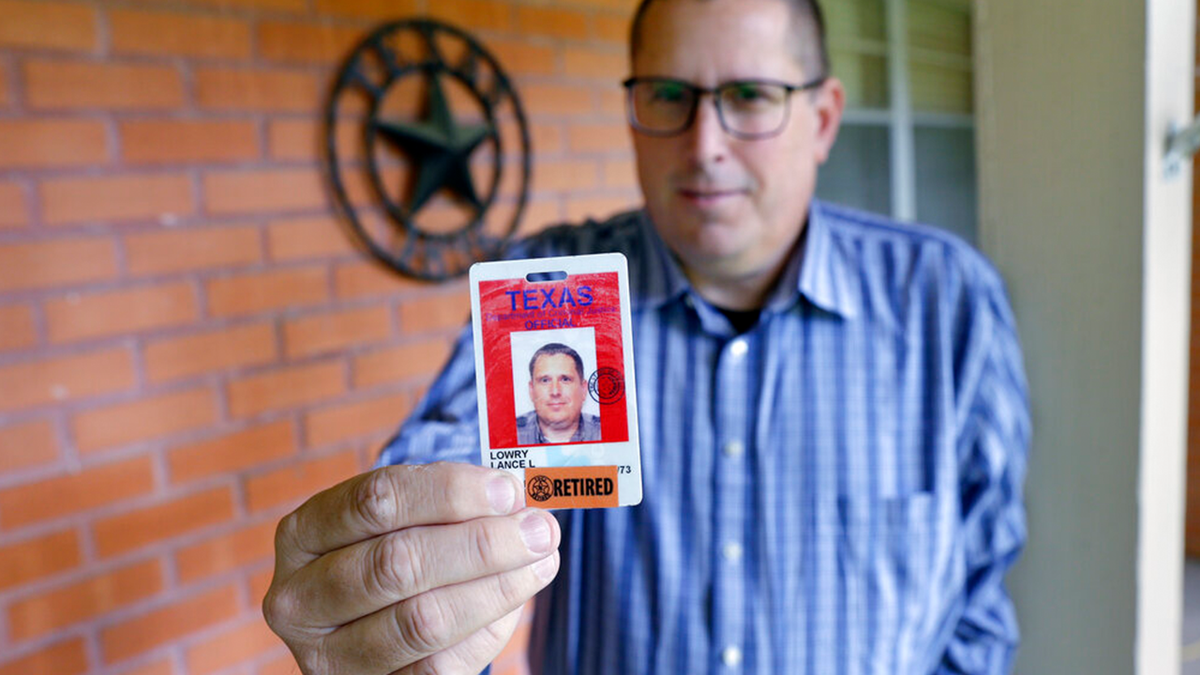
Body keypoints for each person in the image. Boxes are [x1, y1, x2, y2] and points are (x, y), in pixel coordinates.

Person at [262, 0, 1030, 673]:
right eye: (668, 95)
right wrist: (395, 582)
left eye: (750, 96)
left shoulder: (944, 301)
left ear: (823, 118)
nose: (703, 145)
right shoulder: (548, 283)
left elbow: (980, 593)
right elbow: (448, 455)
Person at [517, 342, 601, 444]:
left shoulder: (606, 430)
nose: (555, 391)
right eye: (545, 380)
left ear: (583, 390)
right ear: (531, 391)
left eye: (565, 379)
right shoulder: (510, 434)